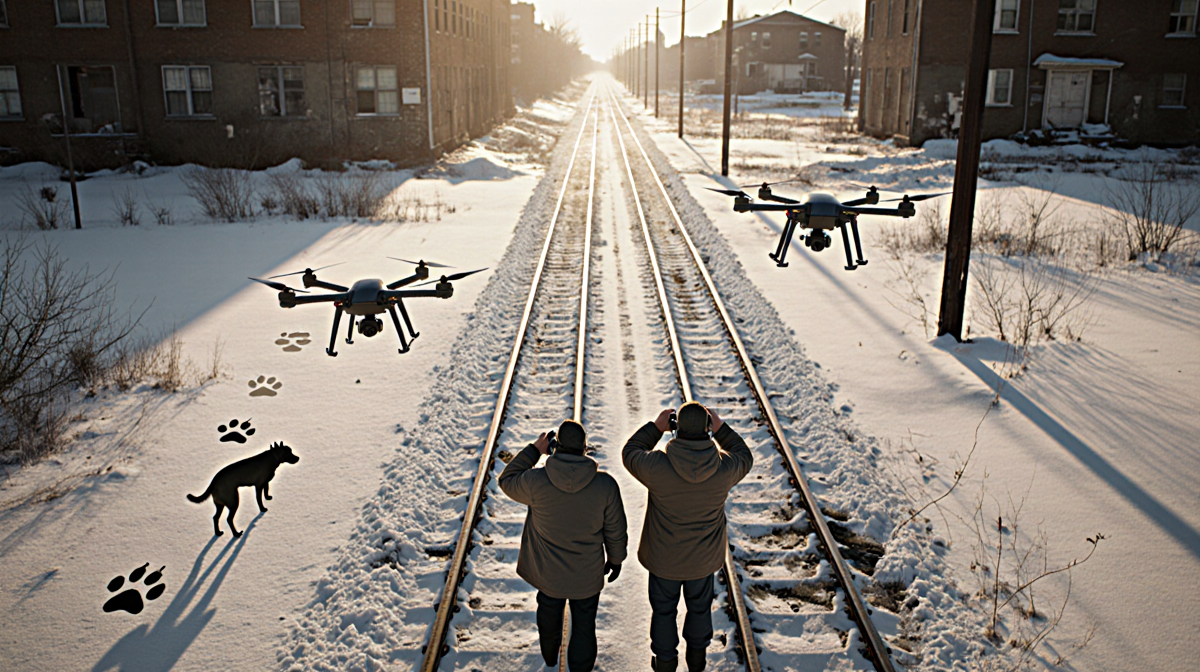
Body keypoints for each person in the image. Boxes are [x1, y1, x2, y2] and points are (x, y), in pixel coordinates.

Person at [623, 401, 753, 672]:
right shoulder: (723, 469)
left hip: (663, 560)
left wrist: (656, 427)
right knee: (699, 609)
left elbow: (630, 452)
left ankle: (665, 662)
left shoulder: (657, 466)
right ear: (706, 429)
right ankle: (697, 660)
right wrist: (720, 428)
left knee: (663, 612)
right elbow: (744, 455)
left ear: (675, 429)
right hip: (702, 562)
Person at [499, 419, 628, 671]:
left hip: (547, 574)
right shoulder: (605, 485)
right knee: (584, 625)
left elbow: (507, 479)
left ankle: (549, 661)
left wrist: (535, 449)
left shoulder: (535, 482)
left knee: (548, 616)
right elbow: (616, 530)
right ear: (584, 449)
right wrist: (616, 559)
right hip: (587, 576)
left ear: (555, 448)